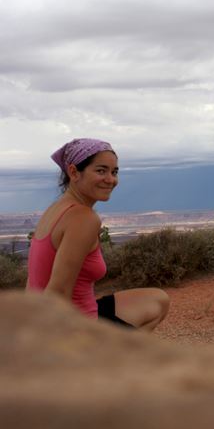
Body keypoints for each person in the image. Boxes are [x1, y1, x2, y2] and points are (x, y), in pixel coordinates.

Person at [26, 138, 169, 330]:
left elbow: (33, 283)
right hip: (77, 328)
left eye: (114, 172)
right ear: (74, 172)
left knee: (158, 300)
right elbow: (58, 292)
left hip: (40, 317)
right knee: (140, 337)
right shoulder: (83, 218)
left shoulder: (56, 210)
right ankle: (112, 357)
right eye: (101, 171)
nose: (111, 179)